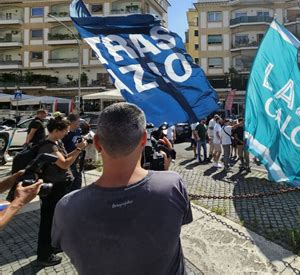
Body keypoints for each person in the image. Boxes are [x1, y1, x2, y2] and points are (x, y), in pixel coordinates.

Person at [52, 103, 192, 274]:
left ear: (97, 143)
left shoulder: (66, 208)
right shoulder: (172, 185)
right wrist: (165, 166)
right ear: (143, 139)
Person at [36, 116, 87, 266]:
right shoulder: (48, 146)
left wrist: (78, 149)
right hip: (53, 188)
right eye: (64, 130)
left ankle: (52, 247)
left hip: (59, 186)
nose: (66, 133)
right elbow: (64, 164)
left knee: (54, 220)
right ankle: (44, 255)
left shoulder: (56, 143)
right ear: (57, 131)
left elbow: (64, 157)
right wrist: (78, 149)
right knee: (48, 221)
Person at [62, 114, 83, 192]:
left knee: (78, 183)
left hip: (78, 160)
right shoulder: (65, 134)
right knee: (71, 184)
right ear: (72, 122)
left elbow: (80, 141)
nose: (79, 123)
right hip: (69, 160)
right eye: (78, 121)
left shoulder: (78, 131)